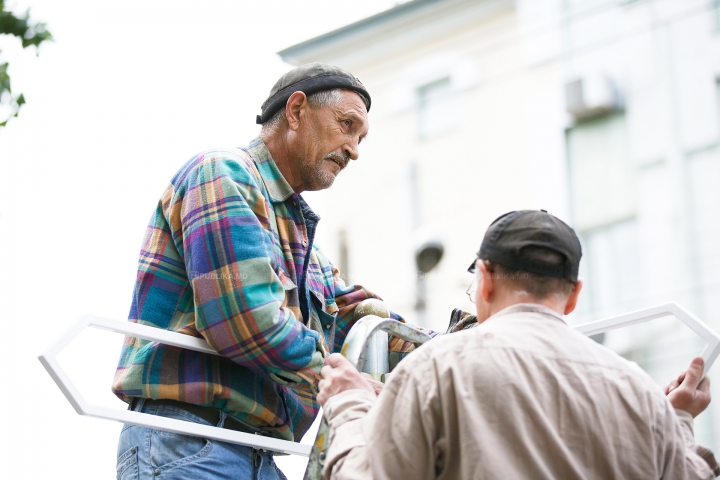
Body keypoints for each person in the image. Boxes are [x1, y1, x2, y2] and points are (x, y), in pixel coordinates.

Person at [112, 63, 430, 480]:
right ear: (296, 111)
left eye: (360, 137)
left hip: (253, 454)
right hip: (190, 440)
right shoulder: (223, 173)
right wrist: (343, 379)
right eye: (346, 125)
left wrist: (458, 348)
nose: (354, 149)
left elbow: (358, 321)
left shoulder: (306, 250)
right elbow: (244, 318)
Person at [317, 210, 719, 480]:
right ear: (574, 295)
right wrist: (678, 420)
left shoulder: (436, 370)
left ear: (487, 279)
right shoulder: (637, 390)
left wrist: (349, 404)